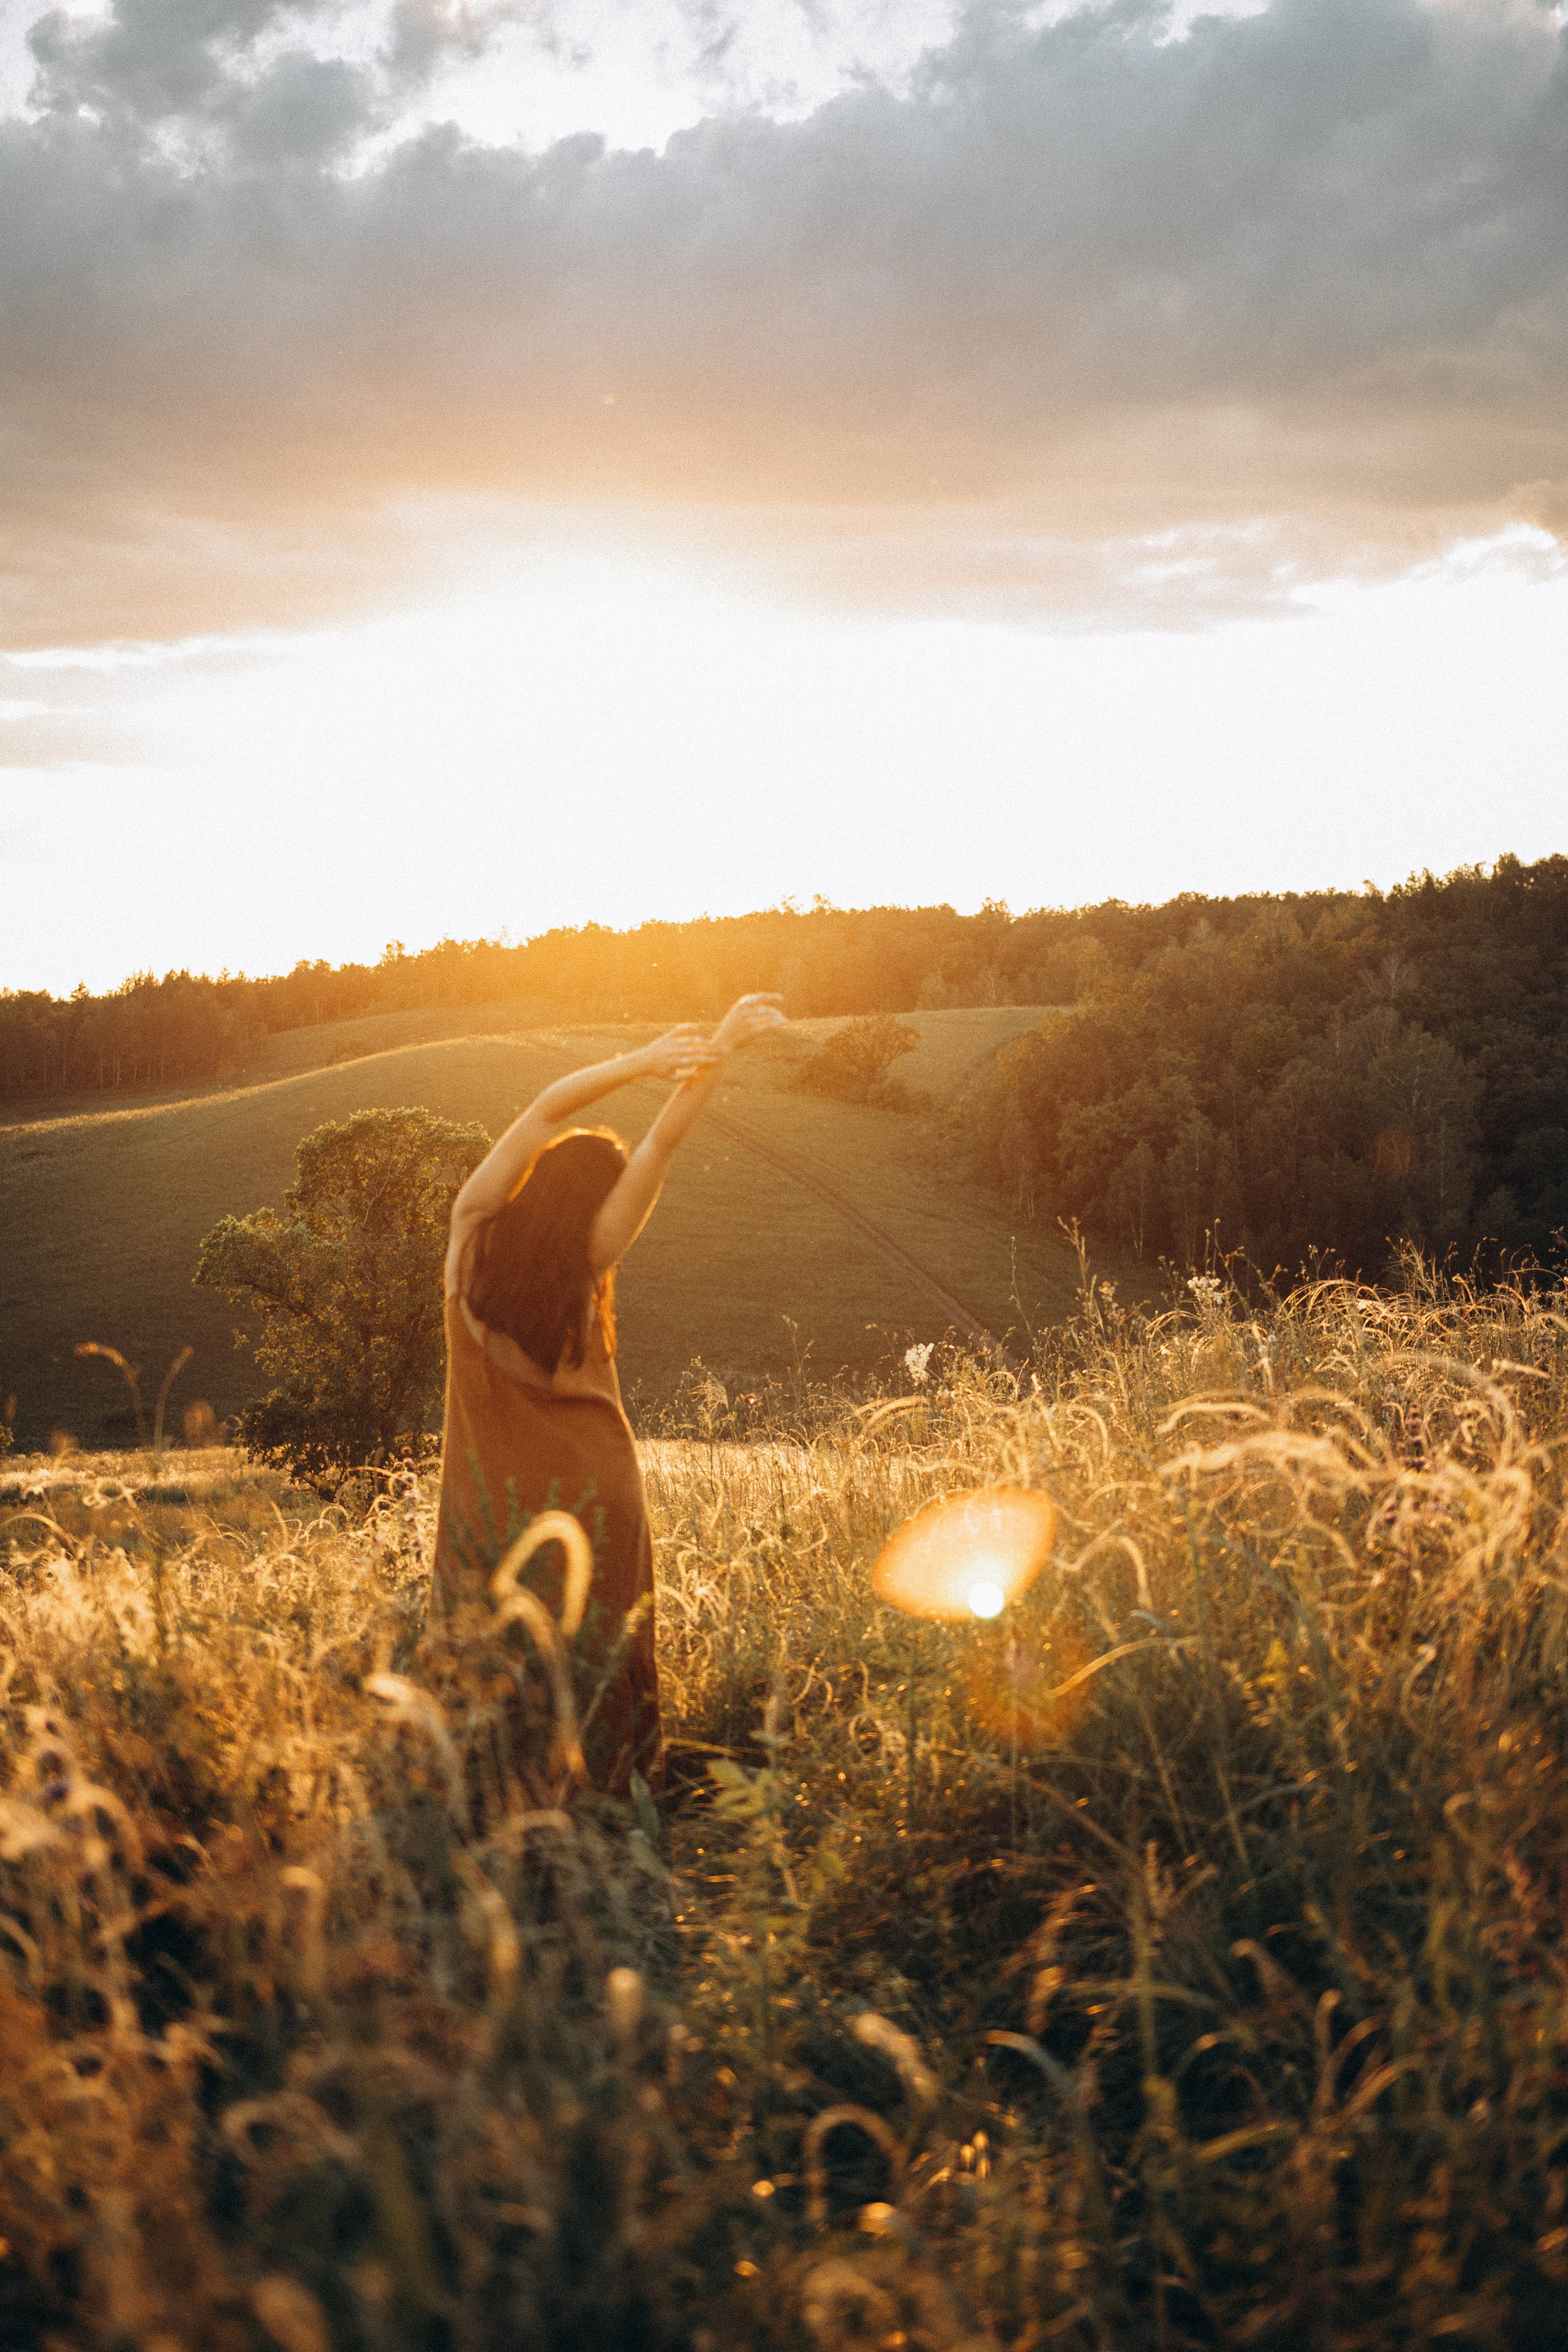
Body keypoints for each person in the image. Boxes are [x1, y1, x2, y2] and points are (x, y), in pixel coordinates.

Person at [431, 993, 786, 1793]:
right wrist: (716, 1047)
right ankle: (617, 1794)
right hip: (600, 1492)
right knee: (605, 1650)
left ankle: (493, 1794)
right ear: (595, 1202)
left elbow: (547, 1107)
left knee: (484, 1652)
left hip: (487, 1507)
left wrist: (638, 1059)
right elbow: (664, 1137)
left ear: (536, 1184)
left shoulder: (471, 1236)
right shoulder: (591, 1256)